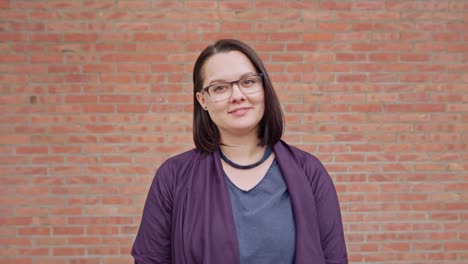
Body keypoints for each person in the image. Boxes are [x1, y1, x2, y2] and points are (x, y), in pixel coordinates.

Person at [131, 39, 348, 264]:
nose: (237, 95)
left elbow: (334, 258)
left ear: (263, 88)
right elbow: (150, 259)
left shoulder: (309, 172)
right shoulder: (173, 177)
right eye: (220, 87)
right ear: (202, 100)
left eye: (248, 81)